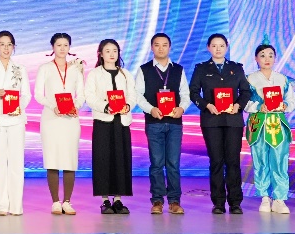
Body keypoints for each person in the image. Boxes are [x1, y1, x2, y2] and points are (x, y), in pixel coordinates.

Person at [189, 33, 251, 214]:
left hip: (233, 120)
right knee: (216, 161)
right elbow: (193, 92)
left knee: (233, 161)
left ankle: (235, 202)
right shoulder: (201, 68)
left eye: (221, 45)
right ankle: (218, 202)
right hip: (211, 120)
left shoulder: (236, 68)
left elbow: (246, 92)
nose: (218, 49)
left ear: (227, 47)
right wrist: (207, 105)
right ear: (208, 47)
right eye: (214, 45)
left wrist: (238, 105)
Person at [133, 33, 191, 215]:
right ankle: (157, 200)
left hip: (174, 123)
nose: (160, 48)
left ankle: (174, 201)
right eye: (157, 45)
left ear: (169, 47)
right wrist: (151, 109)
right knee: (157, 163)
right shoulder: (144, 70)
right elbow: (137, 95)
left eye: (164, 45)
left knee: (173, 163)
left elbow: (185, 94)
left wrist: (181, 108)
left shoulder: (178, 69)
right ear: (152, 47)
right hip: (154, 122)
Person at [83, 39, 138, 214]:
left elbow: (133, 95)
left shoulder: (125, 74)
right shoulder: (94, 74)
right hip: (103, 122)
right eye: (107, 51)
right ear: (100, 54)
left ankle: (119, 199)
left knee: (121, 159)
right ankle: (105, 200)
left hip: (121, 122)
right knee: (103, 159)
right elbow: (89, 96)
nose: (112, 54)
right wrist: (105, 107)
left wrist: (128, 105)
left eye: (115, 50)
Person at [0, 31, 31, 216]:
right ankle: (0, 205)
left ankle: (16, 206)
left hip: (16, 119)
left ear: (14, 47)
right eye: (2, 44)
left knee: (16, 162)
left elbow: (26, 95)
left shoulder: (20, 69)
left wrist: (16, 106)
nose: (6, 48)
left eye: (9, 44)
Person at [35, 32, 86, 215]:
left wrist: (75, 106)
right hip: (51, 118)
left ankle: (67, 201)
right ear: (53, 47)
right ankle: (55, 202)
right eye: (59, 45)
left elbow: (81, 94)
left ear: (70, 47)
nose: (62, 48)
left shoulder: (76, 70)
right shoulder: (45, 68)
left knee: (69, 159)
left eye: (66, 45)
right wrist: (53, 106)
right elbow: (38, 95)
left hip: (70, 120)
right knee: (52, 159)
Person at [246, 43, 295, 214]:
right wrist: (257, 107)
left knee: (280, 160)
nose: (266, 59)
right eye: (262, 55)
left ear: (275, 58)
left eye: (270, 55)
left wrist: (285, 105)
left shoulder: (283, 79)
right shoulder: (249, 79)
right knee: (260, 160)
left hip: (277, 124)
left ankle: (279, 199)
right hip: (258, 124)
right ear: (256, 58)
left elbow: (292, 100)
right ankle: (264, 197)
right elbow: (244, 102)